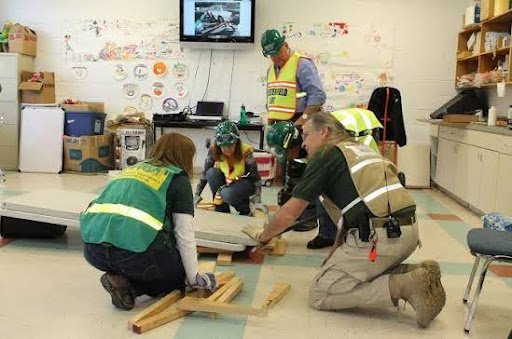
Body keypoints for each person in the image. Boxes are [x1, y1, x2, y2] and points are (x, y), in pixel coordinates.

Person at [243, 112, 446, 328]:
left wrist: (263, 238)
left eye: (306, 135)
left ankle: (403, 284)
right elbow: (348, 217)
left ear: (324, 132)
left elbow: (289, 213)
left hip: (381, 238)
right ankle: (415, 273)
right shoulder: (360, 148)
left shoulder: (326, 155)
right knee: (338, 273)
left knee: (321, 293)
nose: (303, 143)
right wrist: (333, 257)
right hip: (407, 233)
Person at [80, 133, 217, 311]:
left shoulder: (132, 169)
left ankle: (119, 277)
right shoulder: (177, 178)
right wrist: (193, 277)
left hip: (93, 250)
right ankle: (132, 288)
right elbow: (184, 234)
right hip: (134, 255)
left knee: (144, 253)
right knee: (174, 279)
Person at [261, 28, 326, 231]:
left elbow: (318, 96)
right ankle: (289, 213)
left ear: (286, 46)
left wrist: (302, 122)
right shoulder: (271, 70)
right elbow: (274, 100)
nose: (275, 58)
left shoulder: (302, 65)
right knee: (286, 173)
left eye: (278, 53)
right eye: (271, 54)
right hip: (280, 129)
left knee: (302, 172)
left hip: (300, 126)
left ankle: (307, 217)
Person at [307, 108, 383, 249]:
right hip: (366, 142)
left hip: (360, 145)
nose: (304, 143)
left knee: (328, 188)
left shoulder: (328, 130)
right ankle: (337, 233)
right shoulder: (326, 123)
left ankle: (328, 234)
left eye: (306, 136)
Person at [194, 120, 262, 216]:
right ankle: (222, 209)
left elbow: (256, 177)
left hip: (245, 183)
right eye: (223, 147)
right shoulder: (214, 150)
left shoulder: (246, 152)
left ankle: (245, 209)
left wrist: (258, 198)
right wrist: (197, 194)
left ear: (236, 143)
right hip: (228, 181)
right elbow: (205, 174)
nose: (227, 150)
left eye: (230, 146)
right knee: (211, 173)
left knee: (226, 193)